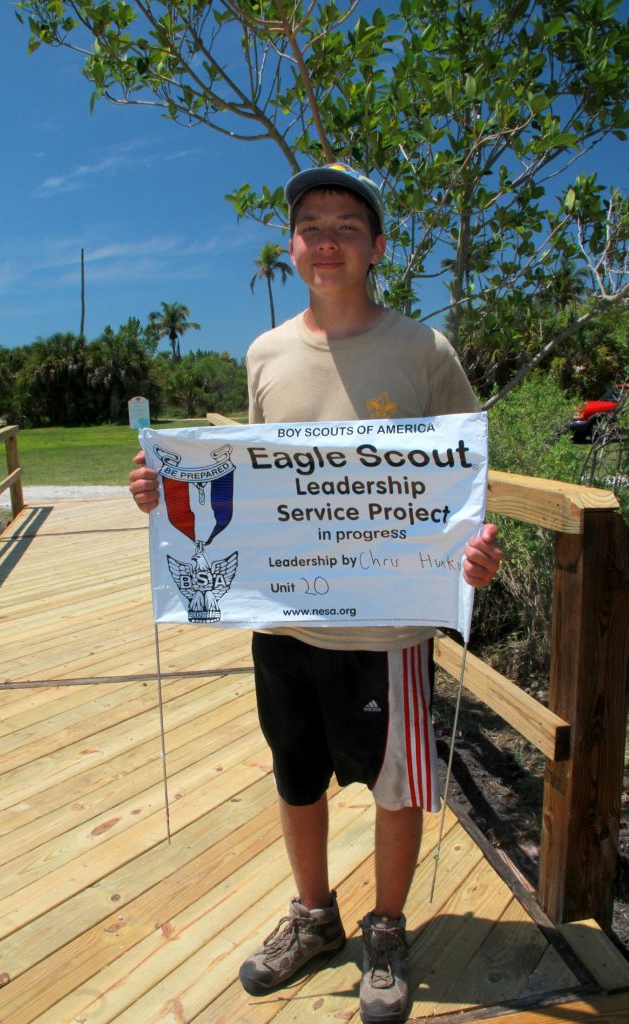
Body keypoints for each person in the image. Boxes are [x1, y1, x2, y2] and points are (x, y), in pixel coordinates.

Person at [129, 163, 502, 1024]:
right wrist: (163, 493)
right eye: (309, 224)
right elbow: (253, 484)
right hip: (284, 624)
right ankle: (314, 917)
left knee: (396, 787)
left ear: (375, 248)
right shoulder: (263, 353)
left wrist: (476, 553)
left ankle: (386, 928)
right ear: (290, 246)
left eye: (345, 224)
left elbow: (467, 484)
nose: (325, 238)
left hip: (391, 630)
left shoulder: (423, 350)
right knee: (294, 776)